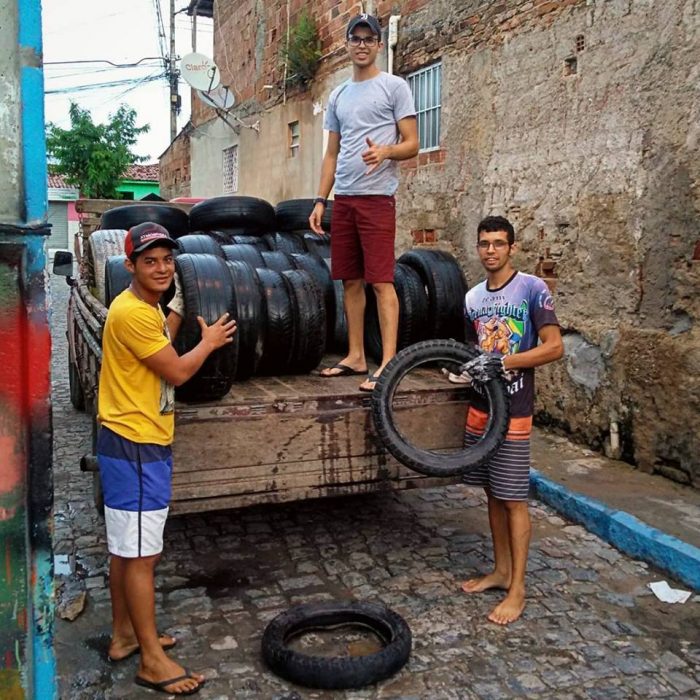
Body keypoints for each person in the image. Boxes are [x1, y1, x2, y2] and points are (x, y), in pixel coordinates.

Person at [97, 222, 236, 695]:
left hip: (131, 442)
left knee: (125, 549)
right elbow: (176, 371)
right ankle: (152, 661)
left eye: (167, 260)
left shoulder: (145, 308)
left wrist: (177, 311)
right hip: (136, 445)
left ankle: (125, 636)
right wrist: (210, 343)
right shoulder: (132, 313)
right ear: (129, 265)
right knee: (142, 556)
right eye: (149, 261)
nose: (161, 268)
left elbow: (160, 337)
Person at [458, 215, 564, 625]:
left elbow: (553, 348)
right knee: (492, 493)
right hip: (481, 410)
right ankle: (501, 571)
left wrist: (506, 361)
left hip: (515, 411)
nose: (490, 250)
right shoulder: (471, 298)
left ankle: (518, 589)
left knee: (514, 499)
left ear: (512, 248)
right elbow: (470, 352)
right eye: (484, 243)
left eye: (499, 243)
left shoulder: (532, 289)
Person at [309, 13, 419, 392]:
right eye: (354, 38)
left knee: (381, 282)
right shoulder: (337, 95)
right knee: (350, 281)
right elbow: (331, 155)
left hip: (377, 199)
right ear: (347, 44)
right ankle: (356, 355)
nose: (361, 44)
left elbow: (412, 143)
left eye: (368, 38)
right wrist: (320, 199)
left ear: (377, 44)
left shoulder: (394, 87)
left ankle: (388, 361)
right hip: (345, 200)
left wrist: (386, 151)